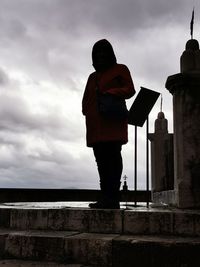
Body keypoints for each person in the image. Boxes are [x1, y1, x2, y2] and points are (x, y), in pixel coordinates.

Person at [82, 39, 135, 209]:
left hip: (113, 124)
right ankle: (105, 196)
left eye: (104, 52)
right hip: (95, 127)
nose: (101, 56)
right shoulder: (92, 77)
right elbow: (86, 99)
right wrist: (87, 112)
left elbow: (130, 89)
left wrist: (111, 93)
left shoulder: (121, 69)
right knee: (101, 161)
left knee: (113, 158)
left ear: (110, 54)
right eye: (97, 53)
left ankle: (112, 197)